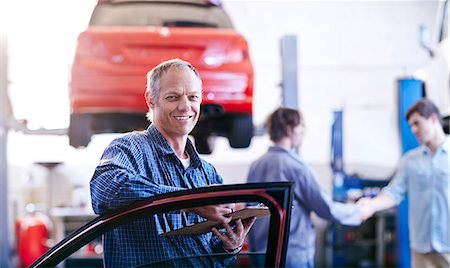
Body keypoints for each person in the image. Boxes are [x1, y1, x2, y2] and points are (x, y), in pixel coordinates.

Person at [90, 58, 255, 267]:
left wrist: (229, 246)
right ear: (151, 99)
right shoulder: (129, 149)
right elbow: (105, 190)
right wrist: (191, 202)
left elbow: (211, 253)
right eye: (173, 97)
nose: (185, 106)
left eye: (193, 97)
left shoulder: (208, 173)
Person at [246, 107, 363, 268]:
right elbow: (326, 208)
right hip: (291, 256)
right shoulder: (296, 166)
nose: (302, 131)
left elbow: (248, 214)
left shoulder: (256, 165)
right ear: (289, 129)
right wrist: (358, 212)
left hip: (260, 256)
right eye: (301, 125)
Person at [357, 99, 449, 268]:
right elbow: (394, 192)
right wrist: (371, 205)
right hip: (422, 250)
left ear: (433, 119)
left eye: (417, 123)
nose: (413, 130)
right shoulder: (410, 160)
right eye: (411, 126)